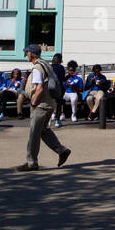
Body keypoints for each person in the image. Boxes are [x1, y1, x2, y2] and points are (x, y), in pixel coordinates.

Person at [16, 44, 71, 172]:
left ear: (32, 54)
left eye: (27, 52)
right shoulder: (46, 65)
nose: (26, 54)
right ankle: (62, 151)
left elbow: (39, 88)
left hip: (41, 105)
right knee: (43, 131)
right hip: (50, 103)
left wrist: (34, 103)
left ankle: (31, 163)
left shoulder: (37, 68)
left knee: (34, 134)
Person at [51, 53, 67, 128]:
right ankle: (57, 121)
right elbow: (62, 79)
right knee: (58, 104)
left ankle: (48, 121)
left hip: (49, 87)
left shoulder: (49, 67)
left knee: (49, 104)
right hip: (58, 88)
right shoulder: (61, 68)